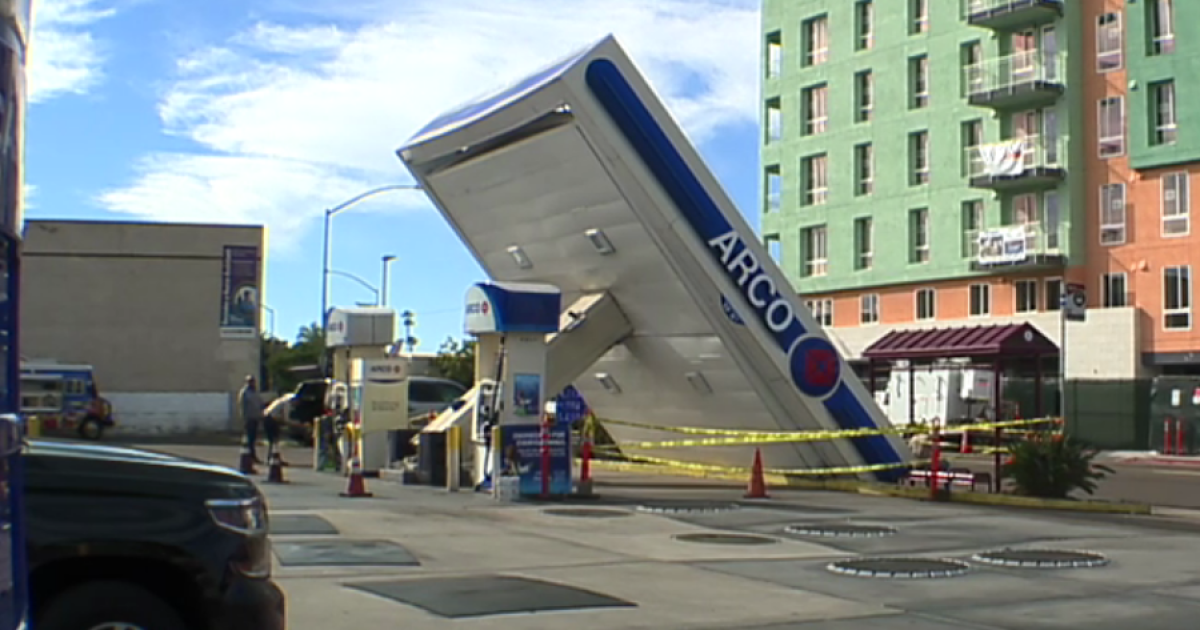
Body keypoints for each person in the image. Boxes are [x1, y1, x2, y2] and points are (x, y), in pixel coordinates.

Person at [261, 393, 296, 466]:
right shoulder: (287, 403)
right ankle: (273, 458)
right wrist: (297, 424)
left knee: (273, 440)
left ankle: (274, 457)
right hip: (271, 420)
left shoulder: (280, 400)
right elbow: (286, 419)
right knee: (274, 440)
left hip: (267, 417)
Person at [237, 375, 265, 464]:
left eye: (253, 381)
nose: (252, 383)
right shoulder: (245, 392)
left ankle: (251, 455)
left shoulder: (254, 392)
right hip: (249, 418)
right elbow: (243, 406)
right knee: (250, 438)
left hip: (255, 417)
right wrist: (245, 418)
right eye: (250, 381)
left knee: (253, 438)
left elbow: (259, 403)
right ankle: (249, 456)